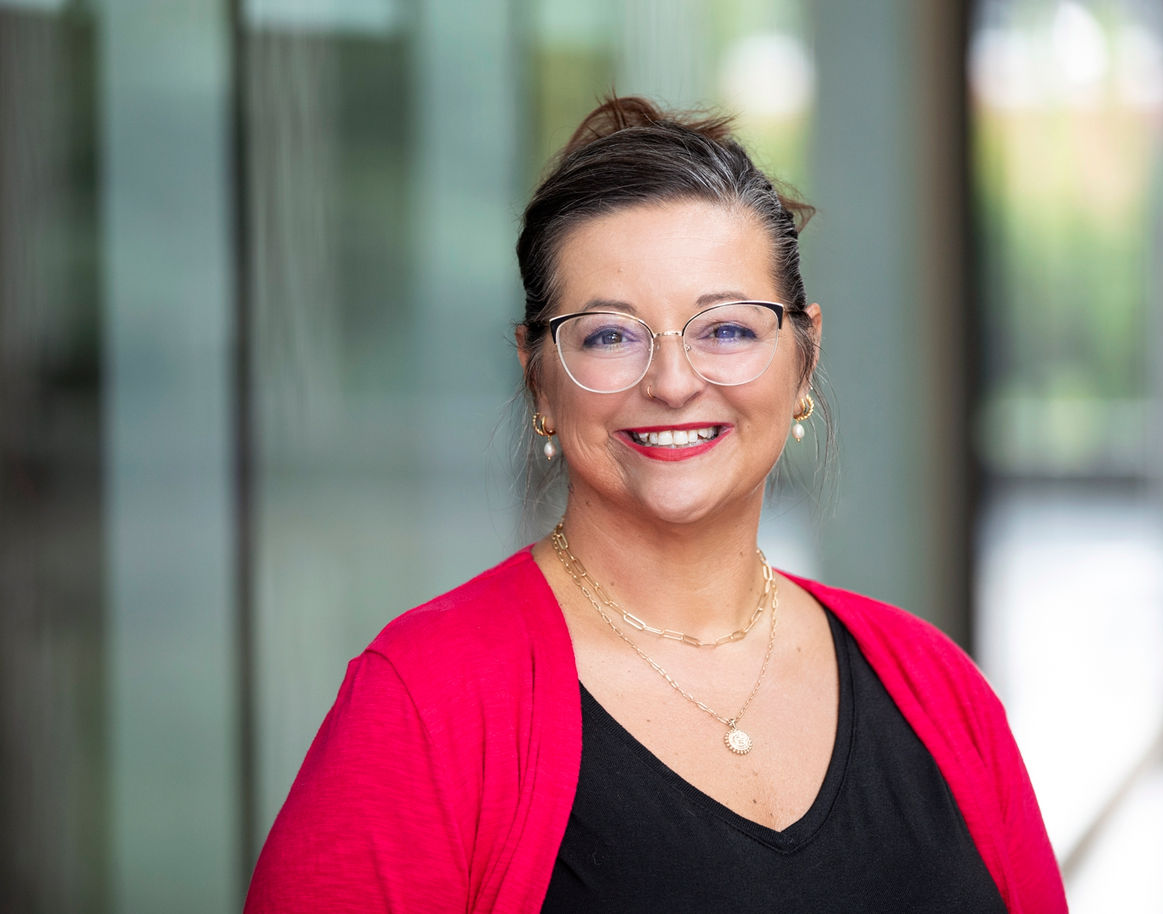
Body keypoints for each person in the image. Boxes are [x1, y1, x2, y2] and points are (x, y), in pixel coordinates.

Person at [244, 96, 1067, 913]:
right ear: (539, 378)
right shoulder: (423, 706)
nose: (672, 384)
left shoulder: (937, 687)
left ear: (804, 359)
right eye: (609, 336)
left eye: (728, 330)